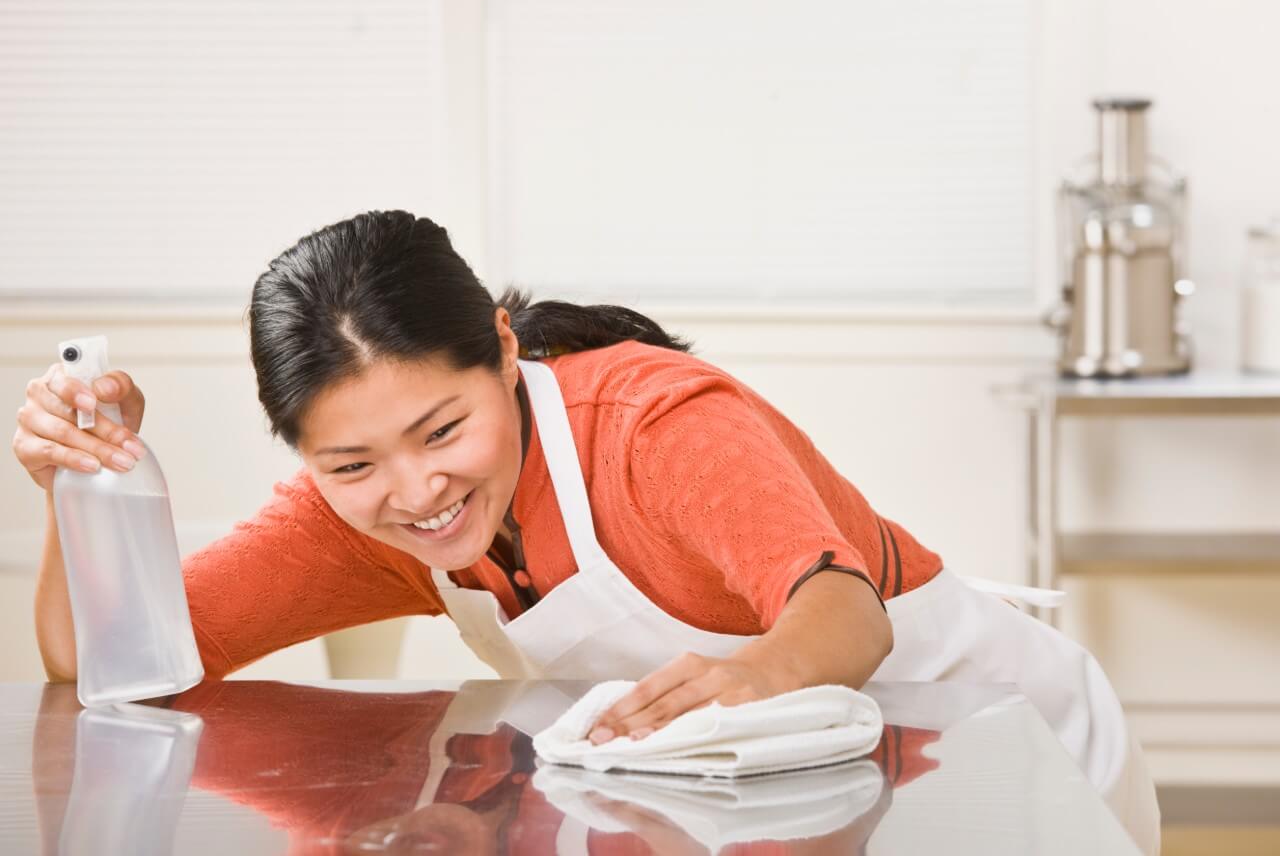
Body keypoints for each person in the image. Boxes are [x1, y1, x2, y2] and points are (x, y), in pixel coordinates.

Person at [12, 210, 1159, 852]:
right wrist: (80, 479)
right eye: (350, 462)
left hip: (995, 755)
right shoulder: (349, 516)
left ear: (503, 353)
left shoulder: (654, 422)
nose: (413, 491)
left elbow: (840, 613)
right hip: (796, 797)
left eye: (441, 428)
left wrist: (741, 676)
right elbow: (115, 658)